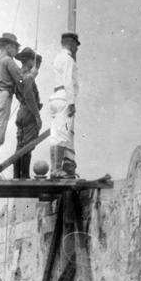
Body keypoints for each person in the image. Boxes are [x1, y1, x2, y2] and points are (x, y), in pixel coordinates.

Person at [0, 32, 24, 179]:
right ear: (8, 46)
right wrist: (31, 75)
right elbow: (20, 80)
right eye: (15, 47)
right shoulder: (8, 60)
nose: (16, 51)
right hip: (2, 97)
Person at [49, 32, 80, 178]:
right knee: (63, 133)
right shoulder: (68, 59)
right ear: (72, 43)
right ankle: (57, 169)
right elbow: (68, 81)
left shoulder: (57, 58)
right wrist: (72, 102)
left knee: (55, 134)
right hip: (64, 98)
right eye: (76, 45)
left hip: (55, 97)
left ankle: (53, 169)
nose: (77, 48)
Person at [13, 48, 42, 179]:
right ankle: (24, 175)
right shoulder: (29, 77)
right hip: (29, 112)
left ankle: (16, 174)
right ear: (29, 60)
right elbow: (29, 96)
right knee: (28, 145)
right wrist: (37, 115)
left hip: (21, 112)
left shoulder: (19, 76)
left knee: (20, 145)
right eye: (34, 61)